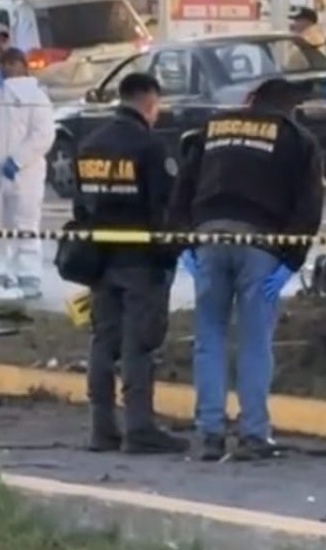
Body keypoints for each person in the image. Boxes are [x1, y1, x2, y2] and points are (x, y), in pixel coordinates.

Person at [169, 77, 324, 461]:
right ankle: (254, 433)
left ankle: (210, 434)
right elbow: (308, 207)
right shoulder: (297, 138)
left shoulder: (213, 128)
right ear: (290, 109)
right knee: (255, 341)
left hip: (209, 239)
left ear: (252, 100)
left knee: (210, 338)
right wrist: (291, 261)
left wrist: (183, 243)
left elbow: (182, 190)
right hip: (261, 245)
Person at [73, 73, 188, 455]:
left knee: (103, 342)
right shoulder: (151, 147)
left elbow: (79, 208)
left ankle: (100, 429)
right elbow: (164, 209)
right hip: (141, 261)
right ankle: (139, 428)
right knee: (139, 346)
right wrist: (171, 253)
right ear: (150, 102)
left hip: (100, 259)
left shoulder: (89, 145)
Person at [0, 48, 55, 301]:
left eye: (10, 64)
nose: (5, 69)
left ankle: (28, 275)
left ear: (21, 65)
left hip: (25, 173)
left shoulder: (36, 97)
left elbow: (43, 135)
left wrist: (17, 160)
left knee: (25, 224)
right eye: (2, 64)